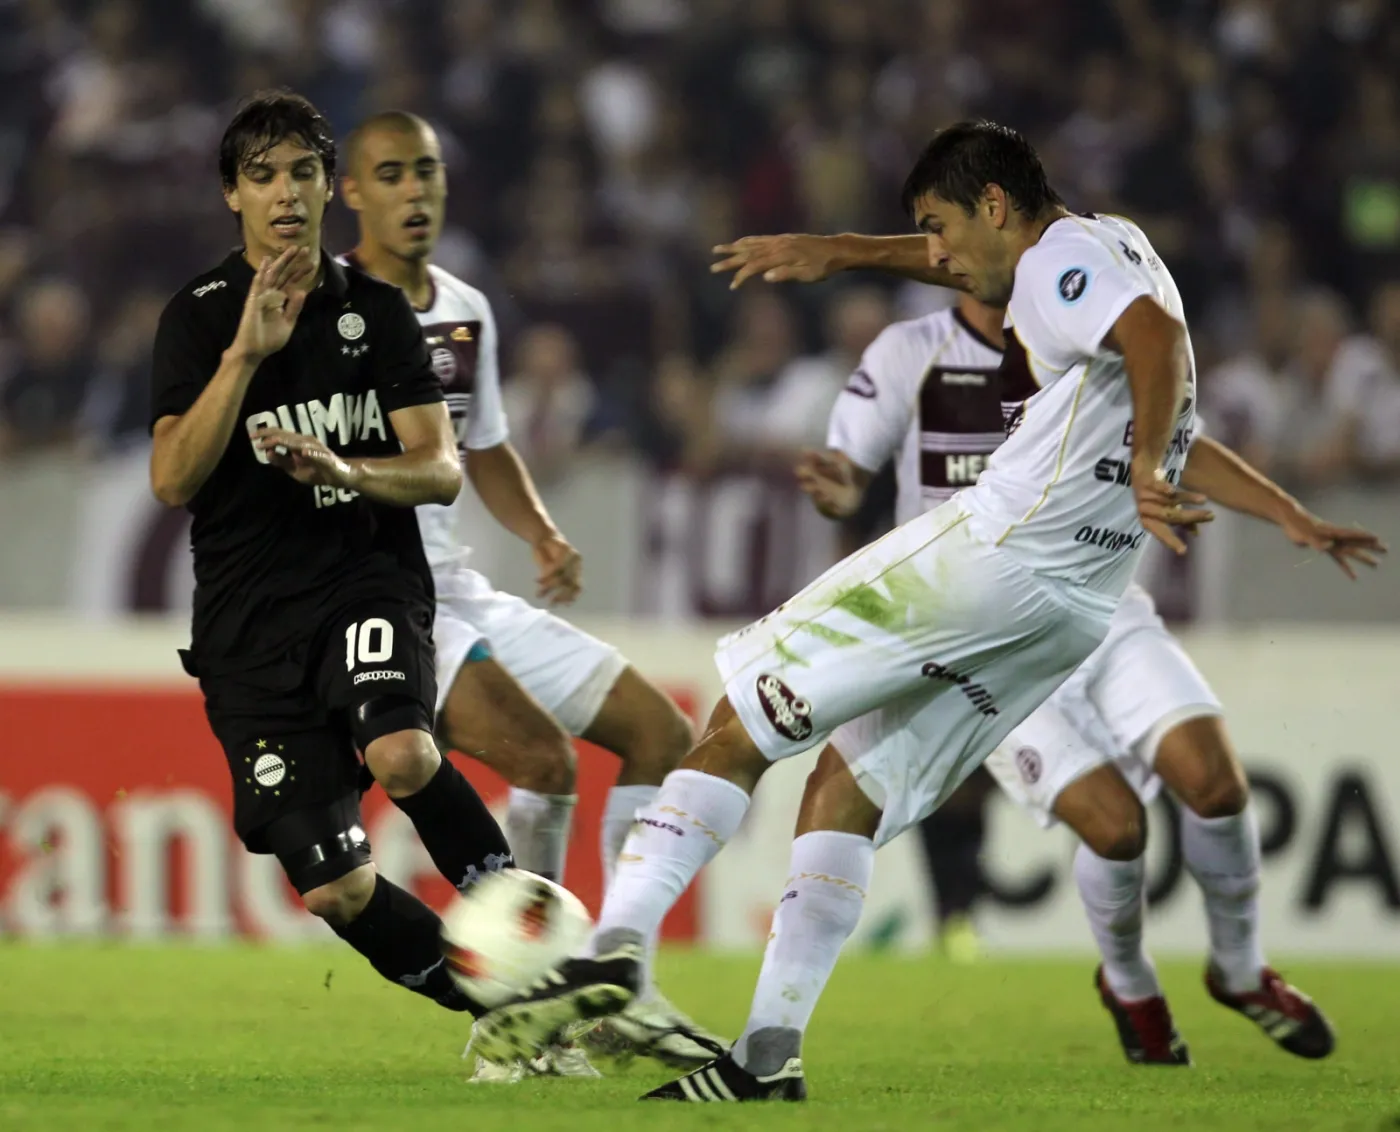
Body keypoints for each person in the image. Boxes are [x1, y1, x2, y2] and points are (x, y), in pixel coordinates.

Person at [467, 119, 1217, 1100]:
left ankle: (612, 949)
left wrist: (1152, 463)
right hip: (1069, 605)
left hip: (984, 557)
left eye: (938, 228)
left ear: (993, 205)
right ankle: (767, 1056)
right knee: (845, 790)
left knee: (735, 722)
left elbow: (1145, 336)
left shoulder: (1059, 259)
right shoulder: (1108, 242)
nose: (936, 258)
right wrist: (845, 251)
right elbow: (1112, 309)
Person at [793, 280, 1383, 1064]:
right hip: (991, 646)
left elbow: (1177, 436)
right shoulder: (918, 357)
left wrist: (1287, 514)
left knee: (1216, 782)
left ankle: (1240, 971)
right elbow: (855, 482)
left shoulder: (1072, 343)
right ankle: (1130, 982)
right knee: (1116, 827)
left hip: (1104, 612)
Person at [337, 109, 720, 1079]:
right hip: (373, 601)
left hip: (459, 585)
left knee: (658, 733)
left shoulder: (463, 305)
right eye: (390, 174)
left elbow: (485, 442)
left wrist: (540, 528)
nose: (414, 191)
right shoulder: (323, 310)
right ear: (351, 193)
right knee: (546, 763)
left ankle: (608, 976)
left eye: (425, 172)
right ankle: (519, 1002)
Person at [148, 91, 515, 1024]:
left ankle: (525, 928)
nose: (285, 194)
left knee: (400, 750)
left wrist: (344, 469)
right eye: (262, 175)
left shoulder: (382, 314)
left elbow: (439, 472)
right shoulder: (196, 319)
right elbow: (171, 480)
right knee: (338, 891)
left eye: (303, 172)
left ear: (326, 190)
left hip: (363, 584)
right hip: (247, 631)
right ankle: (511, 1008)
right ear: (232, 193)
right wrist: (243, 358)